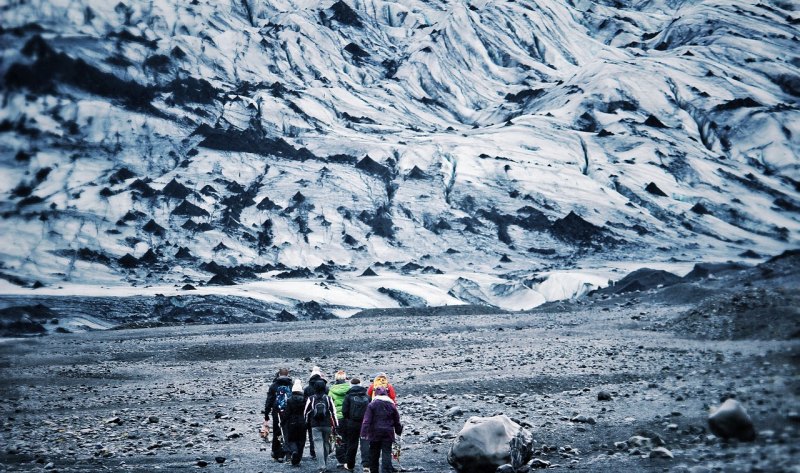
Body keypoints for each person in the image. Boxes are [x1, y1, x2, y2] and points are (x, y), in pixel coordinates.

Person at [360, 386, 402, 473]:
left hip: (374, 433)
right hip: (388, 433)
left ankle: (374, 470)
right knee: (386, 452)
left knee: (374, 453)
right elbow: (396, 420)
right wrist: (398, 431)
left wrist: (363, 433)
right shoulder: (391, 405)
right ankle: (386, 471)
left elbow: (366, 420)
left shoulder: (372, 405)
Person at [305, 379, 338, 473]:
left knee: (318, 444)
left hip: (315, 425)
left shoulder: (311, 398)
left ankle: (321, 466)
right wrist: (336, 425)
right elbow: (333, 412)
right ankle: (325, 463)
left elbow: (306, 412)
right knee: (326, 443)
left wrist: (306, 423)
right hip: (327, 424)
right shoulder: (328, 398)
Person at [342, 377, 371, 472]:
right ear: (360, 384)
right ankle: (366, 465)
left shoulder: (348, 396)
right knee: (365, 443)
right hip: (365, 424)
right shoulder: (367, 397)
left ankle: (350, 465)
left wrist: (348, 419)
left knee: (352, 444)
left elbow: (344, 411)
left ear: (351, 385)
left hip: (352, 423)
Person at [264, 368, 293, 462]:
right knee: (287, 432)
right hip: (288, 412)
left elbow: (269, 400)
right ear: (287, 374)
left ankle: (276, 452)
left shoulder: (274, 385)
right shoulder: (291, 385)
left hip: (277, 412)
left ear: (278, 374)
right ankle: (286, 453)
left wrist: (266, 414)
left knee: (277, 432)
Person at [304, 366, 328, 459]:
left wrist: (305, 417)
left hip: (311, 415)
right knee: (324, 435)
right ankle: (323, 453)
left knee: (312, 434)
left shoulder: (307, 389)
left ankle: (313, 452)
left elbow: (305, 402)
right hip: (325, 415)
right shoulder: (325, 388)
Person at [328, 370, 351, 468]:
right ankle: (349, 458)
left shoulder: (332, 390)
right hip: (349, 417)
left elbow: (329, 404)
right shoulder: (350, 388)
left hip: (337, 418)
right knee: (349, 438)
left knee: (339, 439)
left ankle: (341, 459)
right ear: (345, 378)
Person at [283, 379, 307, 466]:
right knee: (301, 440)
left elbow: (287, 413)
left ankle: (294, 451)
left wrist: (283, 422)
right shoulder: (305, 400)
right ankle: (298, 459)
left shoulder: (289, 400)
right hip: (303, 422)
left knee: (292, 439)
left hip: (292, 423)